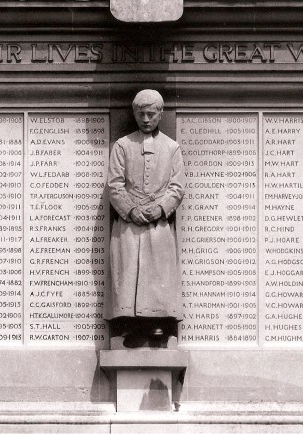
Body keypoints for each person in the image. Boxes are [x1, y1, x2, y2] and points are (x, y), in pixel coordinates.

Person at [105, 89, 184, 348]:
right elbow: (114, 185)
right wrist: (130, 209)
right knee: (129, 273)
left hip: (157, 224)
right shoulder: (123, 146)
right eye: (141, 114)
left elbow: (177, 187)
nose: (146, 119)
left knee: (157, 274)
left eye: (151, 114)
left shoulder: (172, 148)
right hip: (129, 224)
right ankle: (131, 325)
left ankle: (157, 323)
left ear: (160, 114)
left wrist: (161, 208)